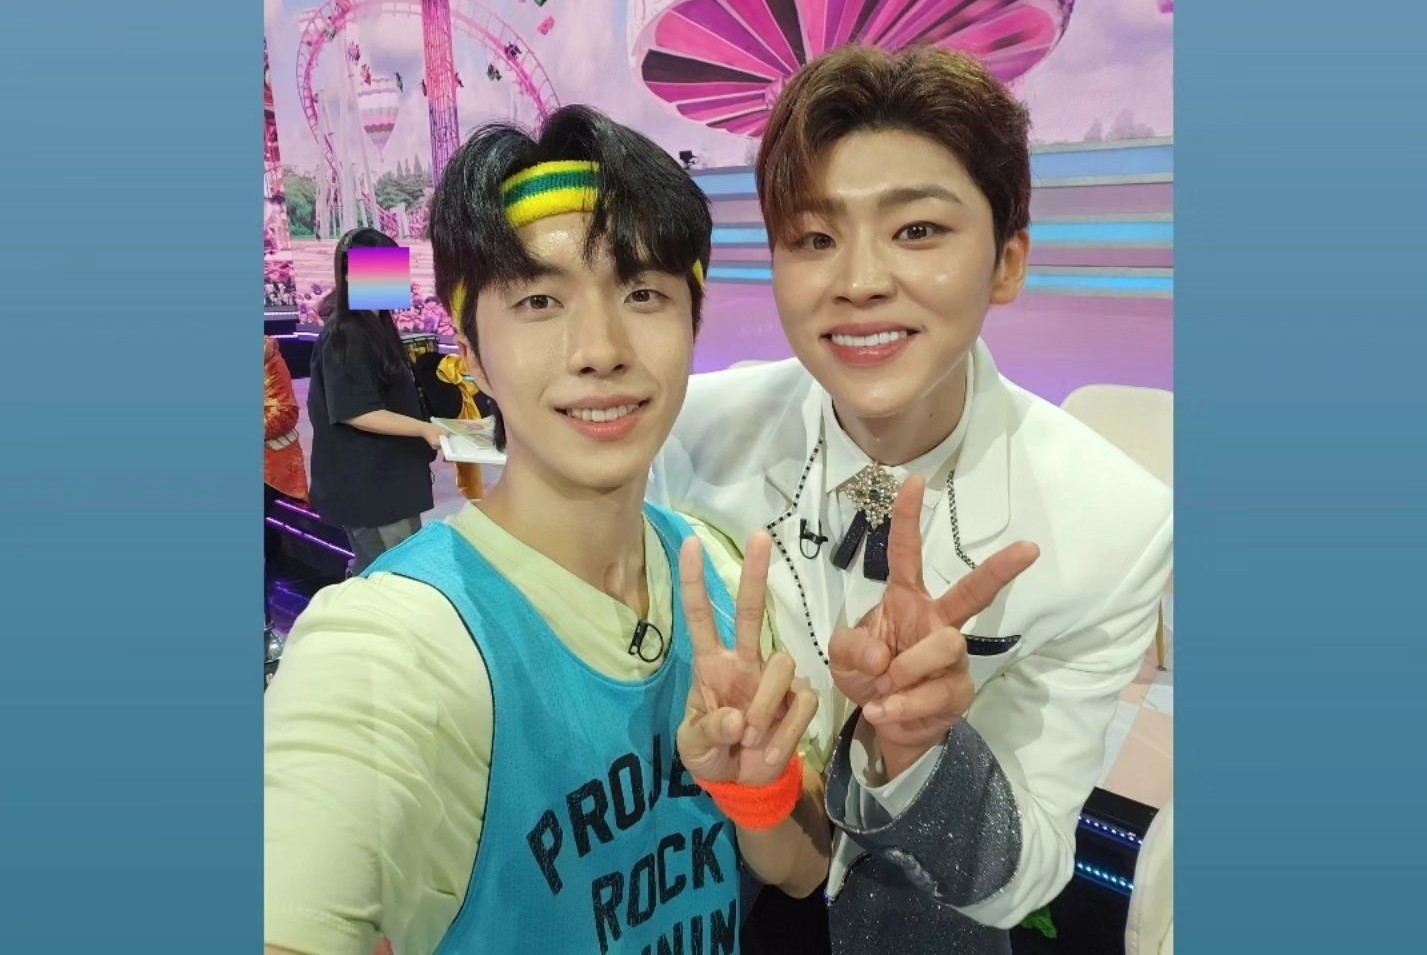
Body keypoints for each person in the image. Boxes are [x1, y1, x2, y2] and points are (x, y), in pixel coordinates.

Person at [265, 105, 829, 955]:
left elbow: (801, 870)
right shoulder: (388, 647)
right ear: (471, 349)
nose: (599, 347)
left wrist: (758, 793)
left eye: (643, 292)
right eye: (538, 299)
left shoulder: (714, 572)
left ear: (691, 322)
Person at [651, 45, 1174, 954]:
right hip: (705, 899)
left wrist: (921, 749)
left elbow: (1028, 874)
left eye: (918, 230)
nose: (858, 280)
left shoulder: (1113, 522)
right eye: (814, 238)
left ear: (1007, 261)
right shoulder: (690, 430)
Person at [306, 228, 444, 575]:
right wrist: (424, 429)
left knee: (386, 567)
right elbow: (357, 410)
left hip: (390, 476)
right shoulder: (346, 333)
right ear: (349, 273)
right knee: (393, 574)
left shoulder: (376, 322)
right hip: (371, 486)